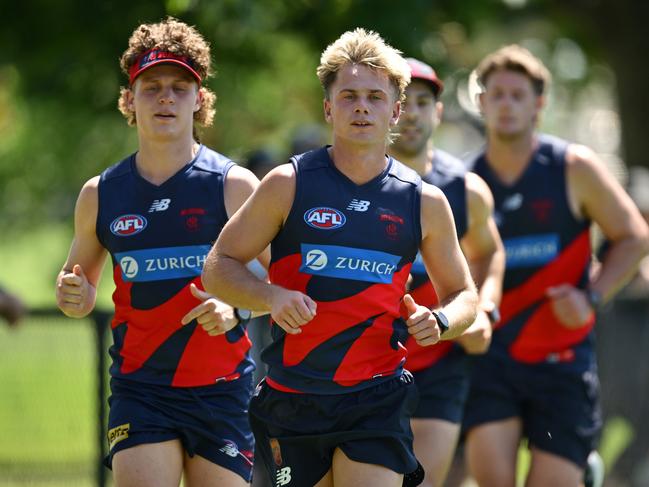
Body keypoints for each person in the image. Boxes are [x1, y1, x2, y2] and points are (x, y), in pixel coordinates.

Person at [201, 28, 479, 487]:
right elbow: (218, 266)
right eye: (348, 96)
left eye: (375, 96)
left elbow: (463, 293)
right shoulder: (287, 184)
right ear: (329, 107)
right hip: (294, 398)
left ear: (395, 109)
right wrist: (270, 296)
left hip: (377, 397)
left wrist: (443, 321)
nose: (362, 107)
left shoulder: (423, 200)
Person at [55, 18, 263, 487]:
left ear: (200, 100)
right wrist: (73, 295)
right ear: (129, 100)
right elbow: (80, 287)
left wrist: (235, 306)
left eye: (179, 86)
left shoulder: (234, 186)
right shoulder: (101, 193)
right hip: (141, 389)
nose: (166, 97)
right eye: (151, 87)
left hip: (222, 390)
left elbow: (282, 286)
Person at [462, 44, 649, 487]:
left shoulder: (573, 167)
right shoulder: (464, 181)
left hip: (561, 358)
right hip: (492, 358)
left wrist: (593, 296)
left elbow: (634, 237)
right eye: (496, 94)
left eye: (517, 95)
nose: (506, 104)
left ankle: (583, 470)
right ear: (482, 103)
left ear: (538, 105)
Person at [388, 57, 505, 487]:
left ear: (438, 112)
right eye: (403, 102)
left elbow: (490, 255)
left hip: (441, 362)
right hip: (366, 361)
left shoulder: (464, 188)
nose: (413, 113)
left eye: (423, 102)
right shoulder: (352, 185)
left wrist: (485, 309)